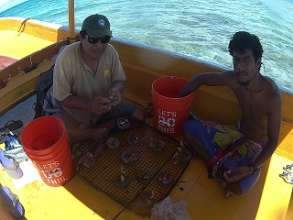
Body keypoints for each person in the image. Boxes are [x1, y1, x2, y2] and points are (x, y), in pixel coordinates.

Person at [180, 31, 281, 195]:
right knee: (187, 128)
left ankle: (217, 164)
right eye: (236, 60)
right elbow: (199, 79)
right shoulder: (234, 79)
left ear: (258, 62)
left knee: (238, 189)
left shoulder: (272, 96)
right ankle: (216, 166)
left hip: (254, 150)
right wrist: (175, 101)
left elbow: (272, 141)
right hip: (236, 135)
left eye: (246, 60)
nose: (240, 67)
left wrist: (250, 168)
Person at [53, 14, 142, 143]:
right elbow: (61, 98)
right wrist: (89, 105)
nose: (99, 45)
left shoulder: (110, 51)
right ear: (82, 37)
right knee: (59, 131)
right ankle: (91, 133)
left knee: (138, 113)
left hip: (106, 107)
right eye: (93, 39)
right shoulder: (66, 57)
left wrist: (115, 90)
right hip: (77, 113)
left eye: (105, 39)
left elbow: (120, 81)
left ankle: (97, 130)